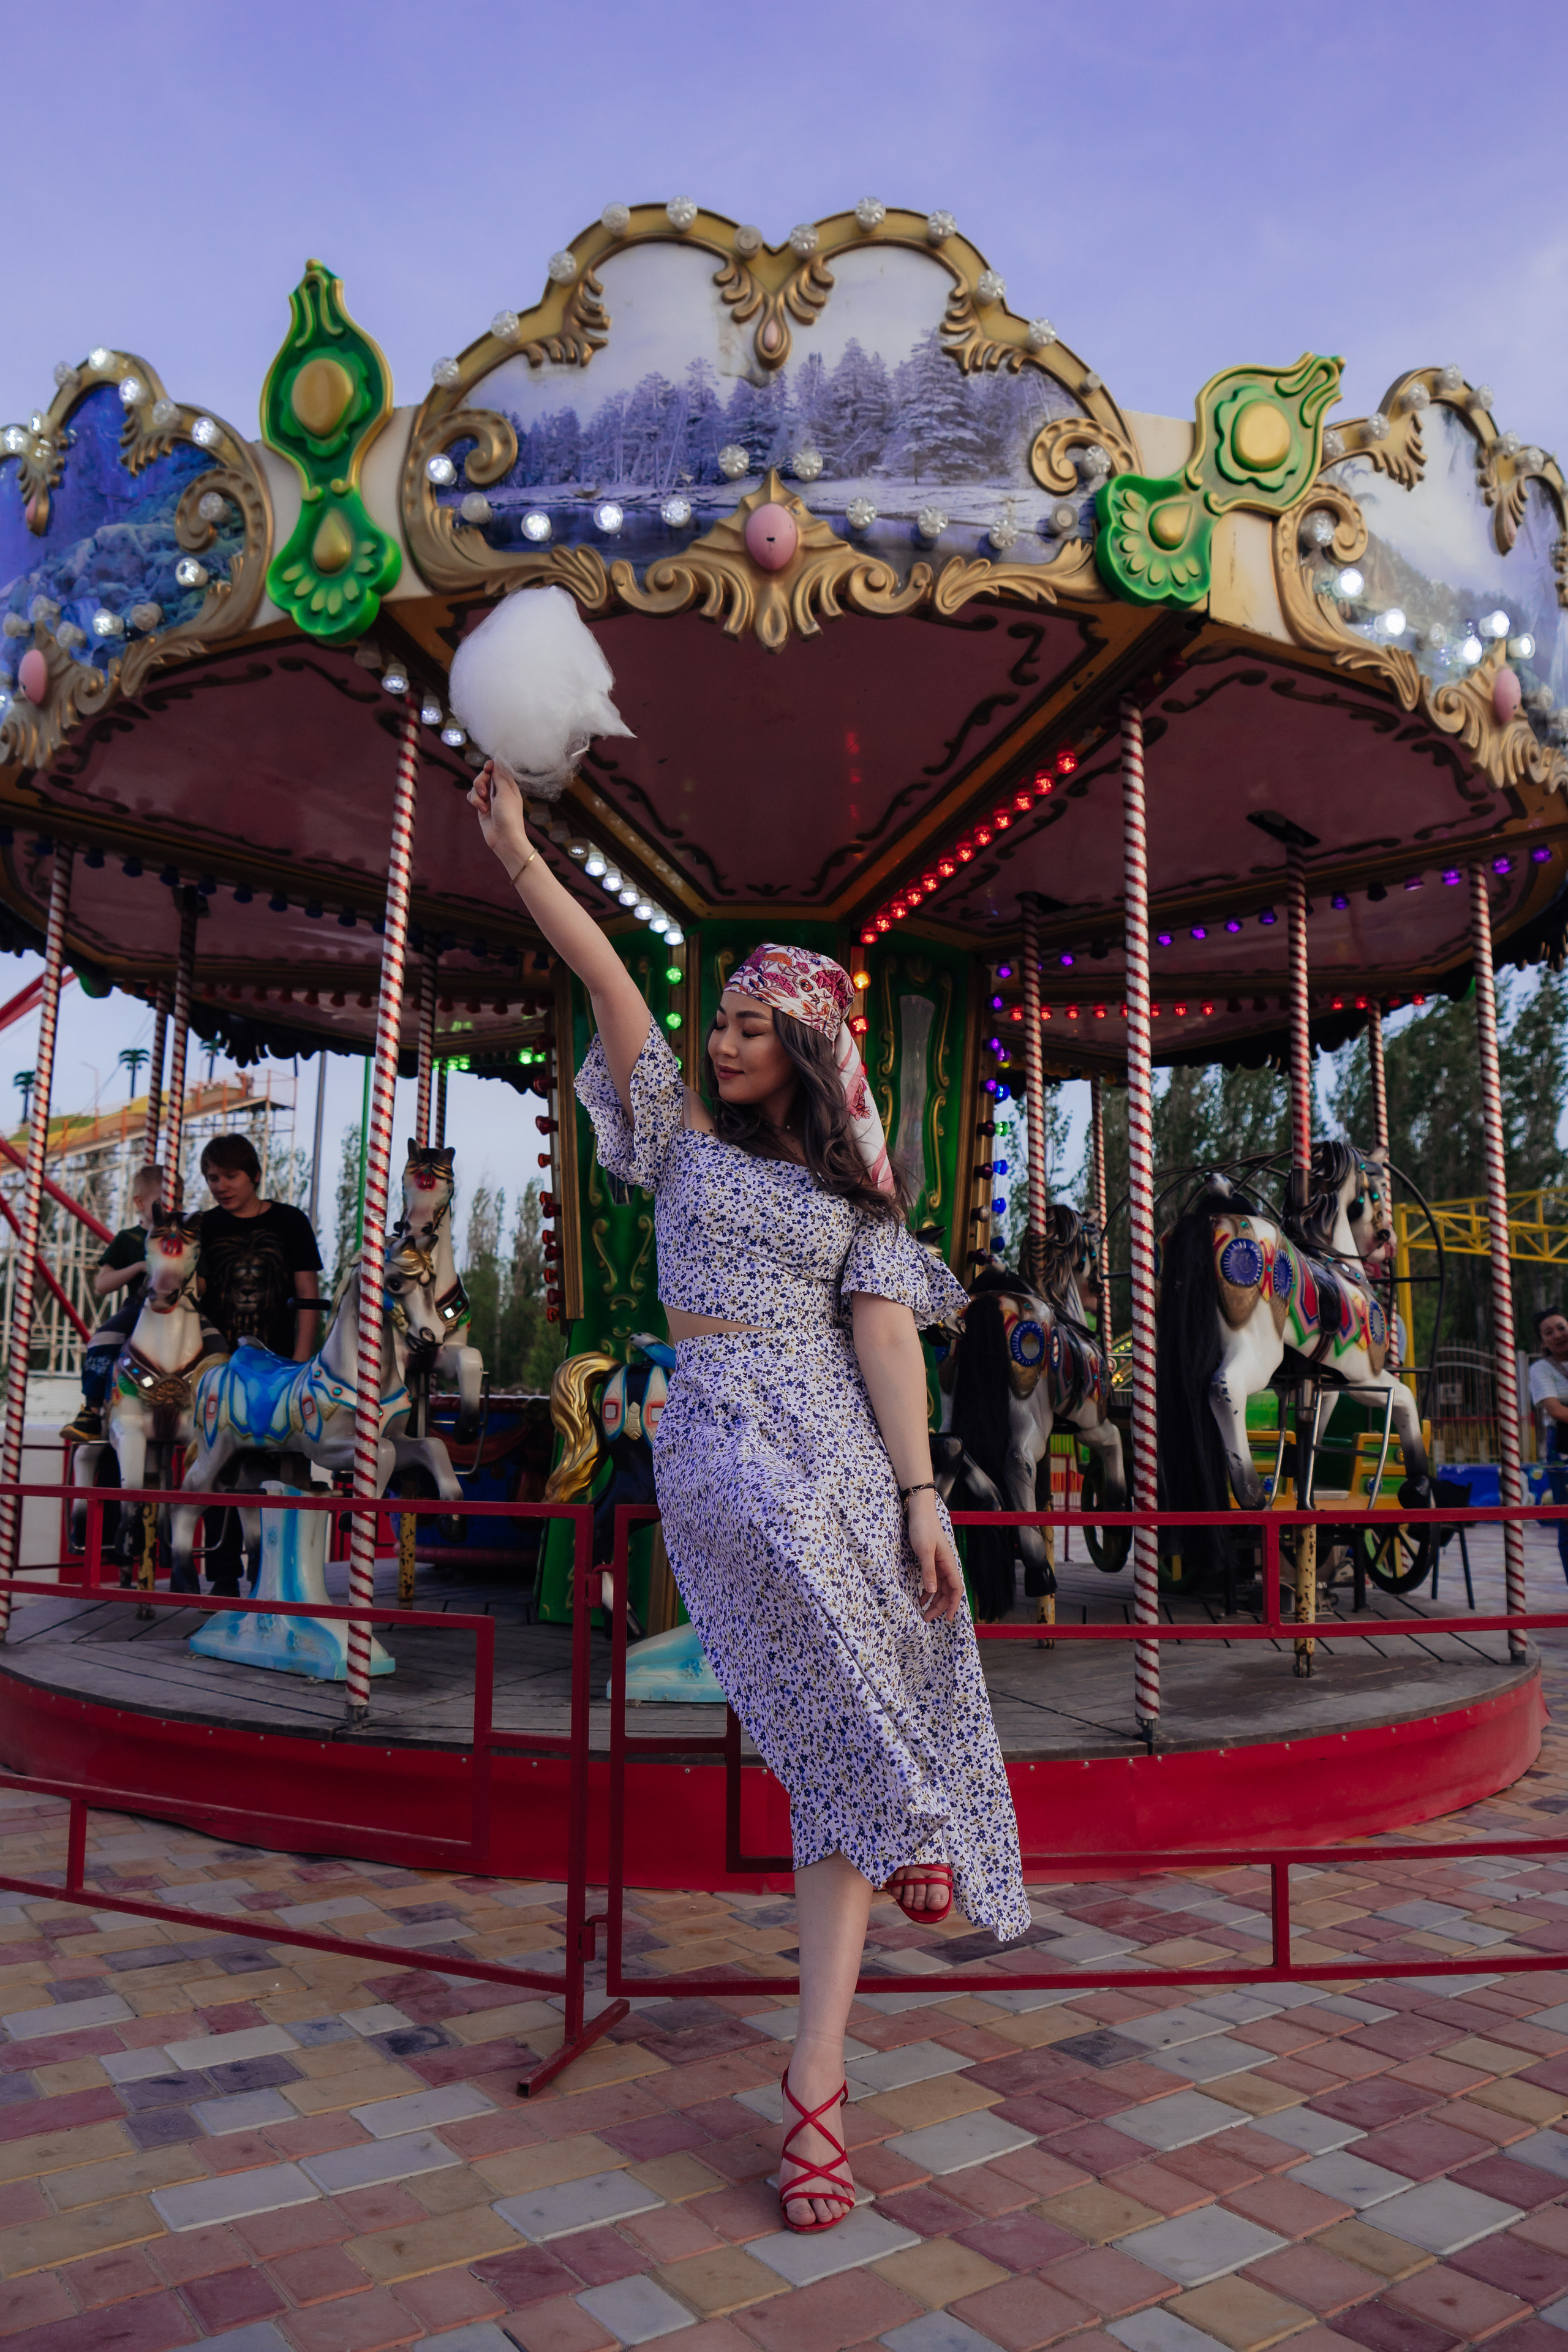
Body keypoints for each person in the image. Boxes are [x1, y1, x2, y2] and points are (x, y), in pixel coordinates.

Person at [469, 756, 1028, 2237]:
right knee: (778, 1545)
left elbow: (887, 1337)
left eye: (742, 1024)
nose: (717, 1040)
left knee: (862, 1675)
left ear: (798, 1043)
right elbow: (599, 974)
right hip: (717, 1426)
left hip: (837, 1436)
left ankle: (816, 2089)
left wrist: (919, 1494)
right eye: (713, 1020)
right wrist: (523, 853)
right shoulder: (676, 1143)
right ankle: (913, 1804)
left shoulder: (854, 1197)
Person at [61, 1164, 169, 1444]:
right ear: (140, 1203)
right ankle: (92, 1409)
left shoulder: (182, 1239)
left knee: (214, 1342)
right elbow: (102, 1284)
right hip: (140, 1308)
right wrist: (138, 1267)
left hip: (177, 1309)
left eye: (178, 1200)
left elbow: (203, 1283)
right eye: (164, 1200)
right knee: (102, 1340)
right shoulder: (128, 1239)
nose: (172, 1206)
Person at [196, 1135, 323, 1360]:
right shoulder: (202, 1227)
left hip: (277, 1360)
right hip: (213, 1361)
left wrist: (301, 1356)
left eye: (231, 1176)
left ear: (255, 1175)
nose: (221, 1187)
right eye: (213, 1178)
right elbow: (195, 1290)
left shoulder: (291, 1221)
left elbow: (307, 1292)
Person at [1530, 1306, 1568, 1583]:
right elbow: (1556, 1410)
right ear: (1543, 1342)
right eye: (1549, 1332)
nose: (1557, 1335)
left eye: (1561, 1328)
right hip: (1563, 1446)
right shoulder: (1541, 1370)